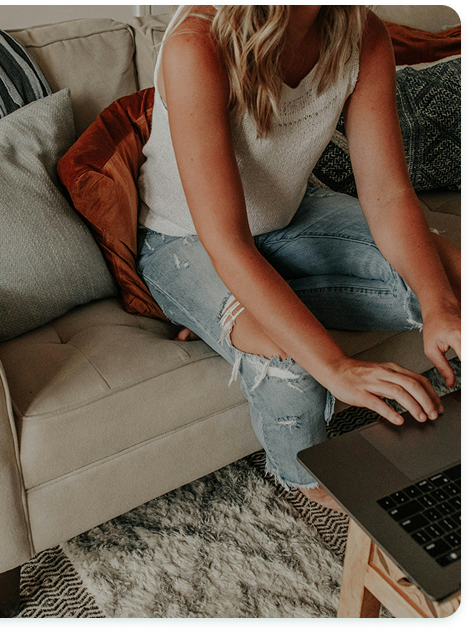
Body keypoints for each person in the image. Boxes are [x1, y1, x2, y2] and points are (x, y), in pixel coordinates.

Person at [136, 4, 461, 511]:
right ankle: (308, 480)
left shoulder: (363, 32)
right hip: (185, 243)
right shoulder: (196, 45)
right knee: (294, 368)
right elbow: (228, 242)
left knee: (450, 272)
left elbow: (390, 197)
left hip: (292, 214)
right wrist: (336, 367)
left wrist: (438, 303)